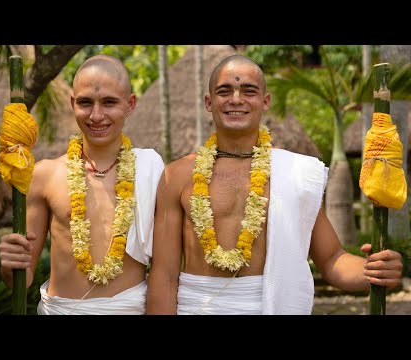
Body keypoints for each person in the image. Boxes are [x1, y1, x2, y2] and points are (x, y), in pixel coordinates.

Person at [146, 54, 403, 315]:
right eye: (225, 91)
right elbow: (164, 275)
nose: (236, 99)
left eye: (249, 91)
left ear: (265, 101)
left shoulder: (294, 174)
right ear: (208, 102)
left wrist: (372, 270)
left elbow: (331, 258)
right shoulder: (177, 176)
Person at [0, 54, 164, 315]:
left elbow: (166, 270)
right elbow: (20, 279)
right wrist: (11, 264)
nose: (96, 115)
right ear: (73, 103)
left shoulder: (152, 171)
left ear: (130, 104)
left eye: (109, 102)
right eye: (86, 103)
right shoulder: (45, 175)